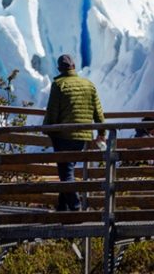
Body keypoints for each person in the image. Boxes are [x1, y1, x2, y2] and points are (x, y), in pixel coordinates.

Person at [43, 54, 105, 211]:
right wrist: (101, 133)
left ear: (59, 68)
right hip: (82, 137)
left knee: (66, 173)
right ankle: (62, 208)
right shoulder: (89, 85)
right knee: (67, 170)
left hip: (63, 136)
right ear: (74, 67)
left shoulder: (59, 85)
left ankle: (76, 207)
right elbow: (99, 114)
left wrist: (47, 129)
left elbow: (52, 112)